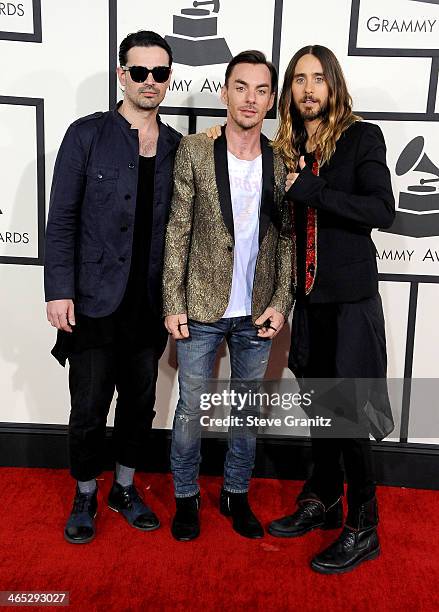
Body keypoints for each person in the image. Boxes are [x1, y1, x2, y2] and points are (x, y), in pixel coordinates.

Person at [44, 30, 181, 544]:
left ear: (169, 79)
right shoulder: (86, 134)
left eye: (160, 73)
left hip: (149, 301)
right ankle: (85, 493)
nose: (150, 82)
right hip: (94, 300)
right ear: (122, 74)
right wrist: (58, 289)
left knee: (140, 405)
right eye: (140, 72)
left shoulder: (174, 146)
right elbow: (61, 219)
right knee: (87, 407)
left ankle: (124, 487)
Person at [267, 45, 395, 573]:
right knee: (321, 408)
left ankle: (364, 526)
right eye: (299, 79)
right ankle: (324, 497)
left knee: (350, 415)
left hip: (351, 304)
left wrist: (313, 190)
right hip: (310, 303)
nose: (308, 89)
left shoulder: (361, 137)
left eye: (318, 78)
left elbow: (381, 210)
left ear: (334, 84)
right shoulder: (288, 144)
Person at [162, 50, 293, 542]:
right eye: (241, 87)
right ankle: (185, 496)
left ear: (271, 99)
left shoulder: (283, 160)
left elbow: (287, 239)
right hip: (200, 305)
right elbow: (177, 231)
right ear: (225, 91)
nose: (250, 99)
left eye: (261, 90)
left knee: (248, 411)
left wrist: (281, 302)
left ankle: (236, 494)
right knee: (191, 409)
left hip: (257, 312)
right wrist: (172, 302)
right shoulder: (195, 150)